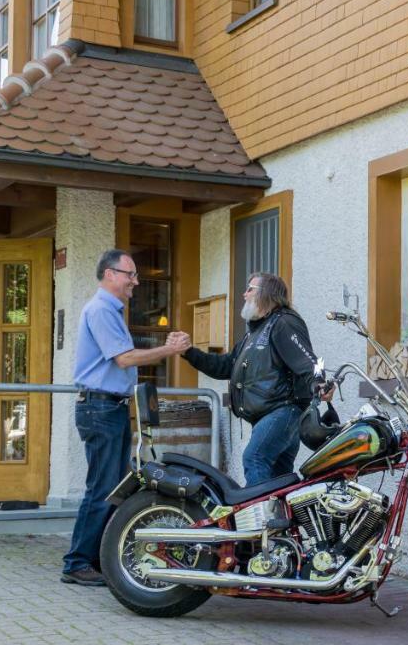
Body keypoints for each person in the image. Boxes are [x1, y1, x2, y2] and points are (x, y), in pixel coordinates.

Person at [62, 249, 190, 587]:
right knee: (103, 487)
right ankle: (77, 562)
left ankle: (93, 559)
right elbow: (124, 359)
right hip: (101, 408)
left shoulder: (109, 310)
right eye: (129, 274)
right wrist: (169, 350)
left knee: (109, 486)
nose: (135, 280)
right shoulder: (102, 309)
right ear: (109, 274)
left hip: (108, 407)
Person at [180, 272, 321, 486]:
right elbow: (225, 366)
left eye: (250, 289)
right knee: (278, 478)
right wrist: (190, 352)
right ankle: (280, 518)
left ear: (267, 294)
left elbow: (307, 362)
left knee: (254, 458)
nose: (244, 294)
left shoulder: (284, 322)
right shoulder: (254, 333)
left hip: (283, 411)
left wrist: (319, 383)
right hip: (271, 416)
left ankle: (260, 518)